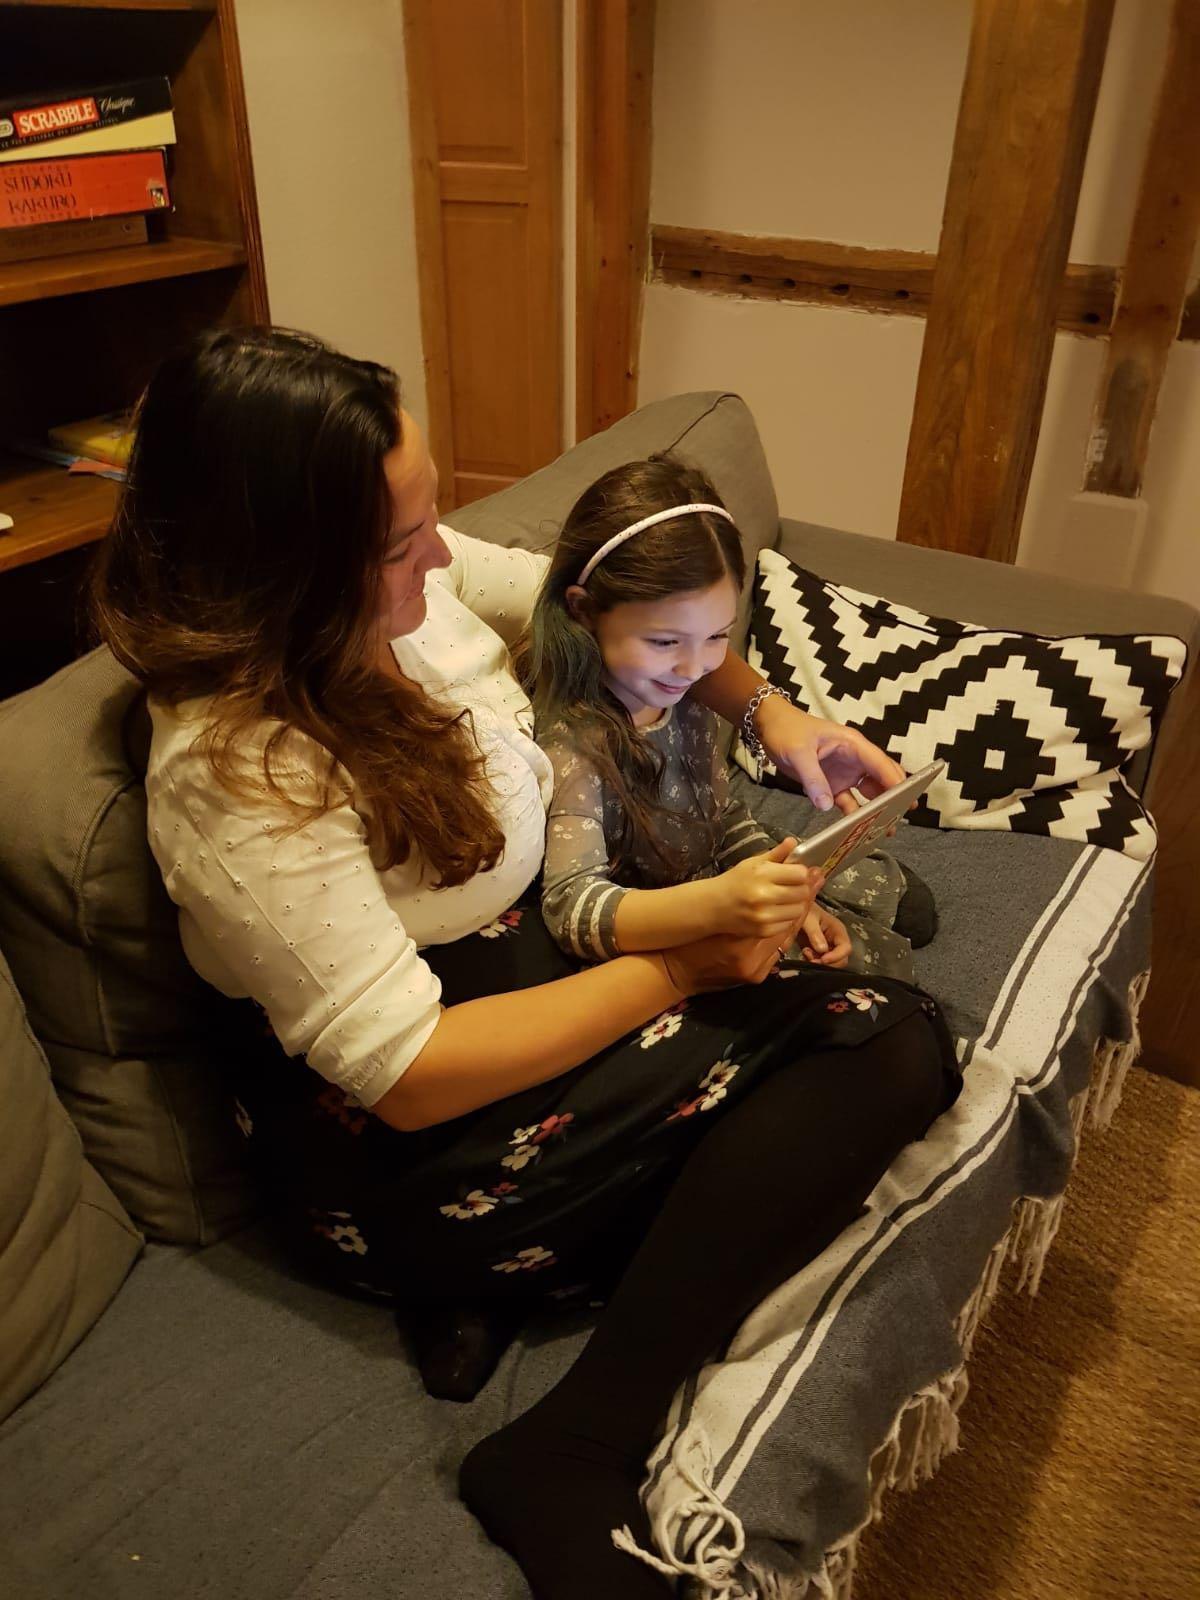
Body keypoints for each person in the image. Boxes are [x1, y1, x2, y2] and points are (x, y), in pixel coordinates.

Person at [91, 326, 959, 1600]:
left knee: (869, 1015)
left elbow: (585, 593)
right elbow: (405, 1071)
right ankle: (570, 1443)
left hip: (535, 977)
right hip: (408, 1132)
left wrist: (772, 711)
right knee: (880, 1043)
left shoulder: (408, 596)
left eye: (428, 518)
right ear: (279, 567)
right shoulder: (236, 777)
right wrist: (687, 968)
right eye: (400, 543)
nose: (440, 558)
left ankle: (544, 1274)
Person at [525, 455, 928, 982]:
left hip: (715, 870)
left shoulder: (684, 693)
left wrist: (790, 899)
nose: (695, 667)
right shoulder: (573, 743)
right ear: (582, 610)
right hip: (666, 918)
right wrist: (720, 904)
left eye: (717, 636)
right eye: (664, 641)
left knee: (902, 912)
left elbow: (721, 816)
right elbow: (572, 907)